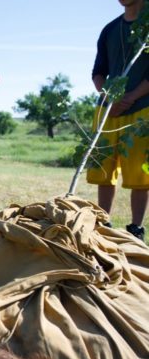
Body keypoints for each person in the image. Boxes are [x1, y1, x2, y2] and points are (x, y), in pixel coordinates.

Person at [86, 0, 149, 241]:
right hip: (108, 110)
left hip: (142, 109)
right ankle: (104, 224)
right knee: (104, 170)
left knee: (140, 176)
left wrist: (131, 96)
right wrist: (108, 97)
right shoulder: (110, 29)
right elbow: (98, 71)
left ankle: (136, 229)